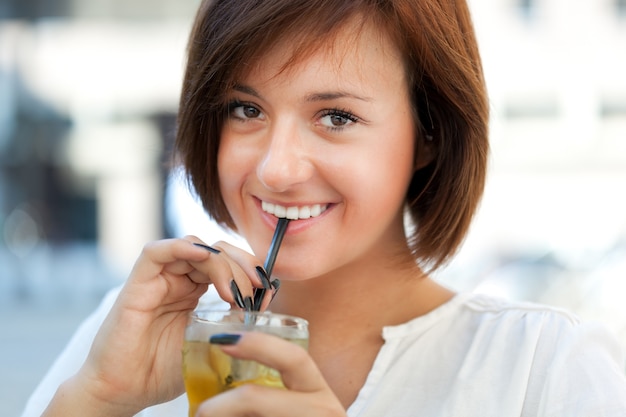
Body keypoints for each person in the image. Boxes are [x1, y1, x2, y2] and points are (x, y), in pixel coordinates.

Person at [22, 0, 626, 416]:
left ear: (430, 133)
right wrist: (98, 399)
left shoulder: (544, 370)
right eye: (246, 110)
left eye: (336, 117)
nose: (277, 169)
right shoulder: (135, 336)